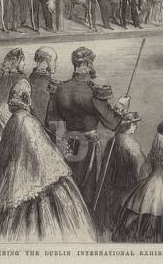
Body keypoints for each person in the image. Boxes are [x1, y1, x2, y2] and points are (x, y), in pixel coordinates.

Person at [0, 79, 96, 241]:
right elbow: (40, 153)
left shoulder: (14, 120)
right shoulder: (26, 121)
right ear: (27, 99)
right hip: (31, 177)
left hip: (18, 176)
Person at [47, 47, 132, 206]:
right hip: (88, 145)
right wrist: (121, 106)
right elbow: (112, 123)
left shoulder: (59, 88)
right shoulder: (93, 91)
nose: (92, 66)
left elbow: (51, 122)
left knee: (69, 183)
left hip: (67, 143)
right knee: (86, 189)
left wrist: (60, 143)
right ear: (87, 64)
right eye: (91, 63)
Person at [94, 112, 145, 235]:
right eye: (134, 124)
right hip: (127, 186)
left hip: (114, 186)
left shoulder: (113, 141)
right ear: (127, 126)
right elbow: (141, 169)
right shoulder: (131, 145)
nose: (136, 127)